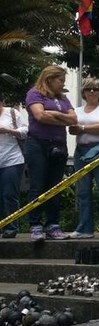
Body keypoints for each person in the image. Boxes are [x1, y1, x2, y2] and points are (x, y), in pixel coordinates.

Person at [25, 65, 77, 241]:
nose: (63, 84)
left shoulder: (63, 98)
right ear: (49, 79)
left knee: (55, 187)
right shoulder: (34, 94)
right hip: (38, 144)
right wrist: (62, 118)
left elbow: (74, 119)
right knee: (38, 184)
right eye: (60, 80)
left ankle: (52, 224)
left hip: (59, 145)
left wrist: (54, 113)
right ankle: (35, 225)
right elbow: (39, 116)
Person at [68, 78, 99, 239]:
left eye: (95, 89)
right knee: (83, 191)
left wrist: (82, 128)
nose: (92, 92)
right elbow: (71, 130)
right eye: (88, 89)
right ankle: (84, 229)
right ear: (83, 93)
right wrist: (85, 129)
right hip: (81, 152)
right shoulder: (76, 110)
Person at [0, 92, 27, 238]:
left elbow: (25, 131)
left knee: (9, 195)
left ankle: (11, 228)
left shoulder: (12, 113)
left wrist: (8, 130)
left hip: (12, 159)